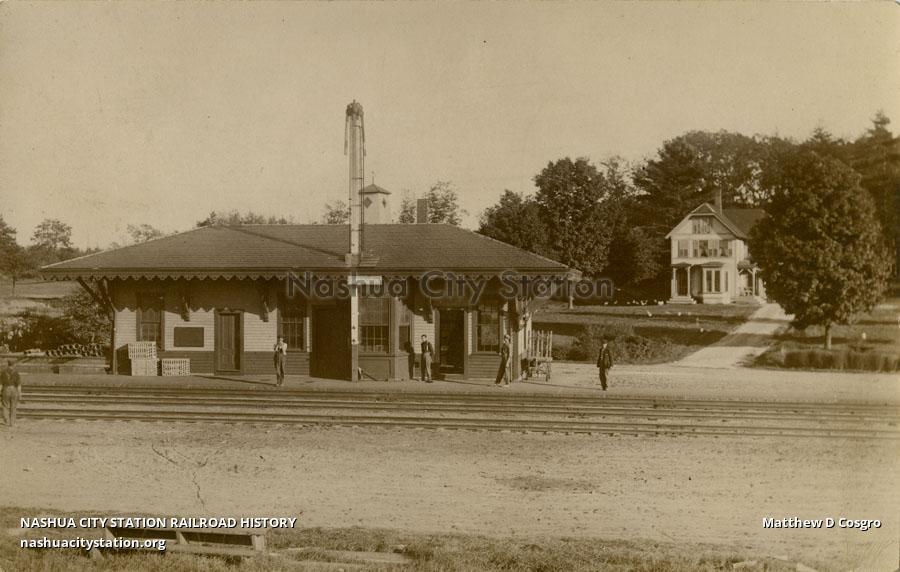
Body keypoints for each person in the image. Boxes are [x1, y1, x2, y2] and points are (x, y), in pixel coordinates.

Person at [1, 359, 22, 427]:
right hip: (14, 390)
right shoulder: (16, 373)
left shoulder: (3, 372)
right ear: (14, 364)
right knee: (13, 407)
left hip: (5, 389)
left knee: (5, 406)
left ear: (8, 364)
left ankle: (6, 422)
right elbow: (18, 385)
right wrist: (20, 394)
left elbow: (1, 384)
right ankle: (12, 423)